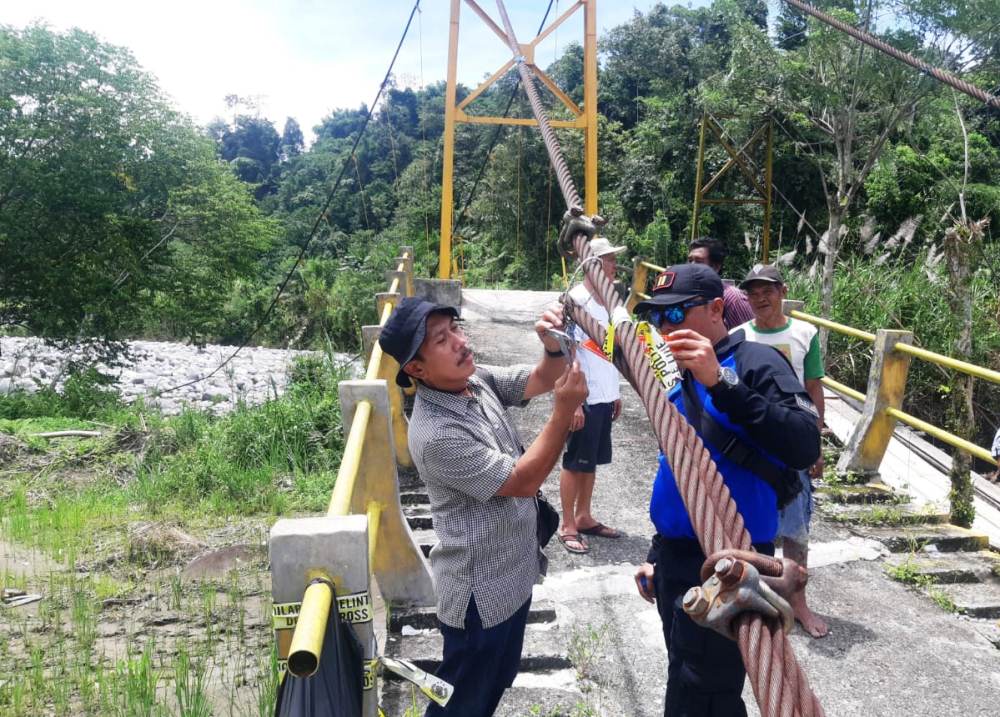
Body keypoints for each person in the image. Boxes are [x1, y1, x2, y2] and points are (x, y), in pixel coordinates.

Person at [378, 296, 588, 717]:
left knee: (496, 681)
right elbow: (523, 481)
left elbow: (536, 378)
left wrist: (551, 348)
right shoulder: (435, 434)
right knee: (463, 702)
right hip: (481, 596)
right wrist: (562, 414)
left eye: (455, 328)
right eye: (441, 339)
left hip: (513, 575)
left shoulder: (475, 381)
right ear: (416, 370)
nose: (459, 341)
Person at [630, 263, 821, 717]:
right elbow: (676, 471)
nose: (664, 328)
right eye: (657, 318)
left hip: (732, 562)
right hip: (676, 559)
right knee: (683, 670)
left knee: (702, 692)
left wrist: (723, 381)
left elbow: (804, 441)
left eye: (676, 315)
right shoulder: (675, 378)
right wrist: (658, 557)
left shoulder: (756, 362)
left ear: (717, 309)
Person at [736, 263, 828, 638]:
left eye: (768, 290)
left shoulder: (805, 333)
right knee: (748, 527)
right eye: (753, 292)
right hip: (751, 446)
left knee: (796, 529)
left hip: (791, 445)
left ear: (782, 290)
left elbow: (814, 390)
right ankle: (754, 595)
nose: (761, 297)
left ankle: (798, 602)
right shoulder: (737, 336)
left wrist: (816, 443)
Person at [558, 236, 626, 553]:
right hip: (583, 395)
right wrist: (573, 402)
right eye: (610, 259)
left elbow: (612, 348)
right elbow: (565, 351)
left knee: (591, 460)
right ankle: (567, 523)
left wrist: (615, 391)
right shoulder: (576, 300)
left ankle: (584, 516)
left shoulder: (611, 301)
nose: (615, 265)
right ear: (594, 265)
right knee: (574, 461)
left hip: (604, 394)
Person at [687, 236, 753, 329]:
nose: (691, 266)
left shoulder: (733, 298)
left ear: (716, 267)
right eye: (690, 261)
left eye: (698, 261)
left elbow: (749, 338)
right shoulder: (688, 295)